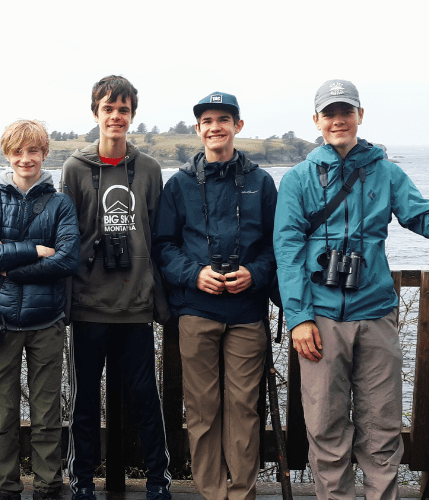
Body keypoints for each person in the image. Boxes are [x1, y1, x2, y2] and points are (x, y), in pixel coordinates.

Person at [274, 79, 429, 500]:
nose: (338, 120)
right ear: (316, 120)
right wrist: (299, 318)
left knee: (382, 429)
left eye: (345, 111)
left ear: (360, 116)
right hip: (322, 320)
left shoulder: (386, 172)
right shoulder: (297, 179)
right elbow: (287, 250)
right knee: (326, 428)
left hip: (376, 315)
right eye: (329, 113)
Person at [152, 91, 277, 500]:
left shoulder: (261, 182)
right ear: (198, 129)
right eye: (207, 121)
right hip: (196, 311)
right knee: (202, 411)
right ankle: (211, 494)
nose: (215, 127)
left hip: (246, 312)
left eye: (224, 119)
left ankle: (241, 494)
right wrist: (194, 274)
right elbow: (164, 245)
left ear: (238, 126)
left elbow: (279, 245)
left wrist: (255, 275)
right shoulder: (180, 184)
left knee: (243, 410)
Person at [60, 75, 172, 500]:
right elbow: (65, 238)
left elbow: (158, 236)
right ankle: (83, 481)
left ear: (132, 116)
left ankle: (158, 480)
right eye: (108, 109)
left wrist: (159, 298)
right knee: (84, 401)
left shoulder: (148, 169)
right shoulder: (73, 169)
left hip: (136, 307)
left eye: (123, 110)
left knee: (146, 398)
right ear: (96, 114)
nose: (116, 117)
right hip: (88, 306)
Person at [0, 119, 79, 500]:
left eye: (34, 151)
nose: (26, 158)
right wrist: (34, 249)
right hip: (0, 323)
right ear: (8, 154)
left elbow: (67, 261)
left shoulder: (61, 203)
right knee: (1, 417)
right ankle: (6, 489)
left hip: (47, 322)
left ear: (45, 153)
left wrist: (7, 260)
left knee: (47, 415)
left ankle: (48, 486)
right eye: (18, 151)